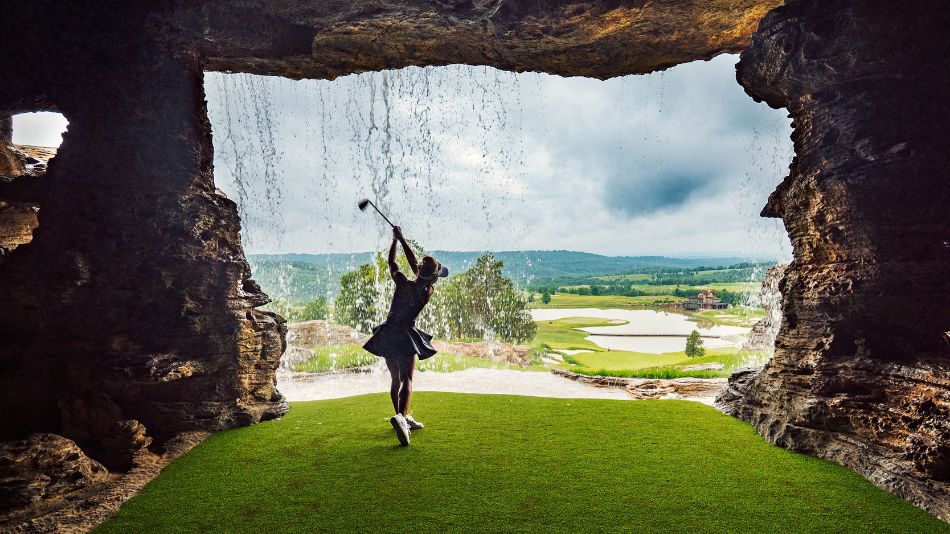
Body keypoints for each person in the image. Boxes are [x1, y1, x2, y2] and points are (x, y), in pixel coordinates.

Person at [363, 226, 448, 446]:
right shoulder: (427, 291)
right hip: (406, 334)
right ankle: (402, 417)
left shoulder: (402, 282)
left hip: (389, 332)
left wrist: (396, 241)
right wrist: (402, 240)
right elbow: (418, 269)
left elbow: (394, 264)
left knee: (395, 379)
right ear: (434, 277)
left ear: (419, 270)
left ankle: (401, 416)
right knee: (407, 379)